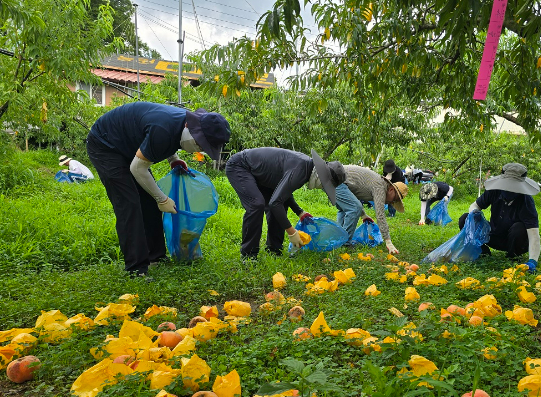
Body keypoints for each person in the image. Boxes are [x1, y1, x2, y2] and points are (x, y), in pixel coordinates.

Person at [86, 101, 230, 277]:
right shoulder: (164, 129)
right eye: (199, 145)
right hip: (105, 144)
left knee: (148, 200)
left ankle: (156, 257)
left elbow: (166, 139)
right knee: (129, 204)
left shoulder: (183, 124)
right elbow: (138, 168)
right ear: (189, 127)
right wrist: (162, 199)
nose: (199, 149)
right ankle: (136, 269)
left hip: (130, 145)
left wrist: (173, 159)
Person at [225, 148, 346, 259]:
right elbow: (275, 202)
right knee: (256, 205)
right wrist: (292, 232)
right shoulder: (301, 169)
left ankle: (274, 250)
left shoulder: (306, 168)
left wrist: (299, 212)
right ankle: (248, 255)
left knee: (281, 205)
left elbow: (282, 194)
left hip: (261, 175)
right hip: (241, 166)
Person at [459, 163, 541, 272]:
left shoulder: (526, 201)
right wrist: (474, 213)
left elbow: (534, 235)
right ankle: (482, 251)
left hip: (514, 241)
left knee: (519, 228)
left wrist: (533, 261)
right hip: (493, 235)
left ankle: (513, 256)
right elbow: (475, 205)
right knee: (465, 218)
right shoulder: (494, 191)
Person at [331, 165, 407, 255]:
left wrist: (363, 215)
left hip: (335, 178)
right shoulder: (381, 188)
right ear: (391, 189)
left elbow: (353, 196)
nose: (391, 202)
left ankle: (339, 239)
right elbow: (380, 215)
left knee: (344, 209)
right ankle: (345, 243)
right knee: (354, 209)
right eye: (394, 199)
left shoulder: (380, 184)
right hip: (338, 179)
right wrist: (388, 241)